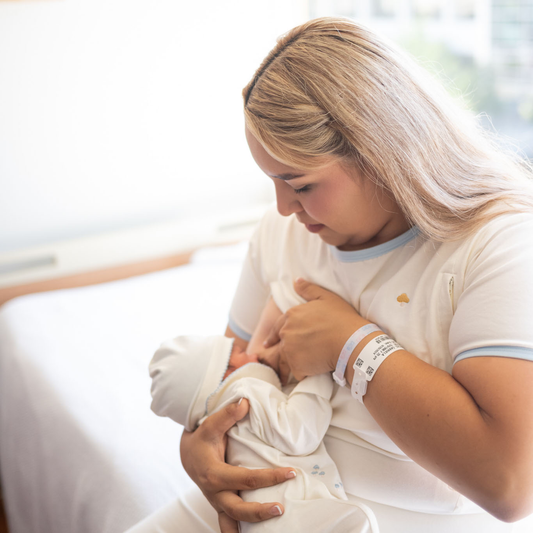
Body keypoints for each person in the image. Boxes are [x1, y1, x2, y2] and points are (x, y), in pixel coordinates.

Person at [127, 16, 533, 533]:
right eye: (272, 182)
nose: (281, 207)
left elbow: (511, 485)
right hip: (270, 498)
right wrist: (198, 453)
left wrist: (354, 348)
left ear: (381, 151)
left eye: (299, 183)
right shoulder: (283, 234)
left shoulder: (501, 245)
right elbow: (228, 382)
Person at [142, 304, 379, 532]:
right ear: (228, 370)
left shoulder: (222, 416)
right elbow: (298, 433)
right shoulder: (246, 392)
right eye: (241, 352)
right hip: (291, 512)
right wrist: (318, 373)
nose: (254, 353)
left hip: (270, 517)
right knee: (359, 520)